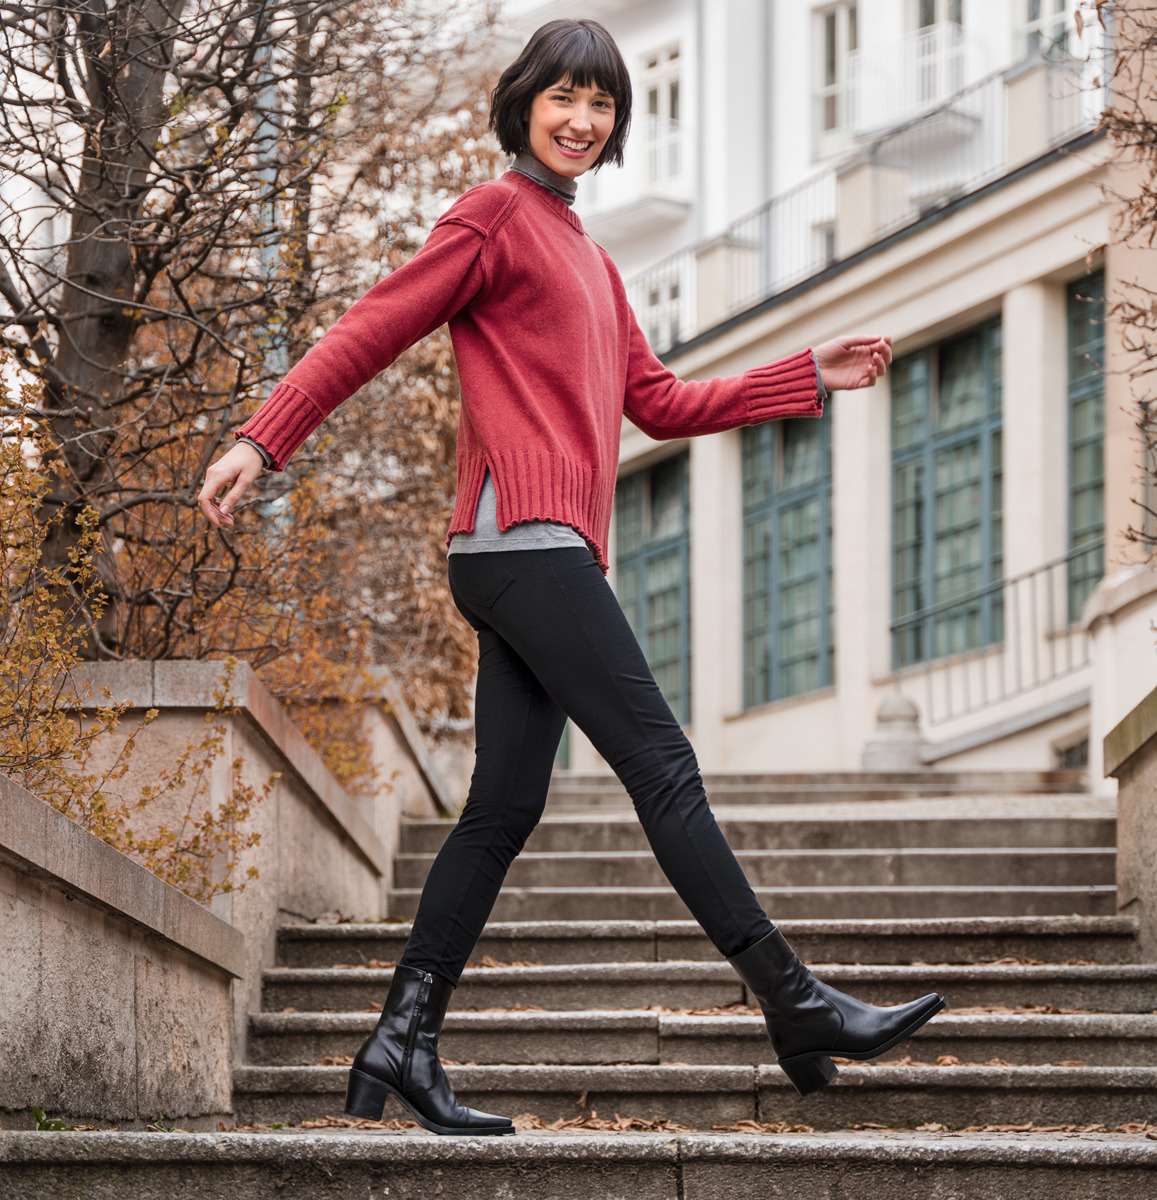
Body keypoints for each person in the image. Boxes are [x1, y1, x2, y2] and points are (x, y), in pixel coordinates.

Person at [198, 18, 945, 1138]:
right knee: (664, 765)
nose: (583, 119)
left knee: (501, 807)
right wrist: (266, 437)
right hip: (520, 541)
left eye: (602, 104)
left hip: (543, 554)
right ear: (523, 104)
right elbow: (375, 323)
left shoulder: (594, 260)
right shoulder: (492, 217)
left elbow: (661, 402)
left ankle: (400, 1041)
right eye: (563, 97)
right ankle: (795, 1001)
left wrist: (807, 373)